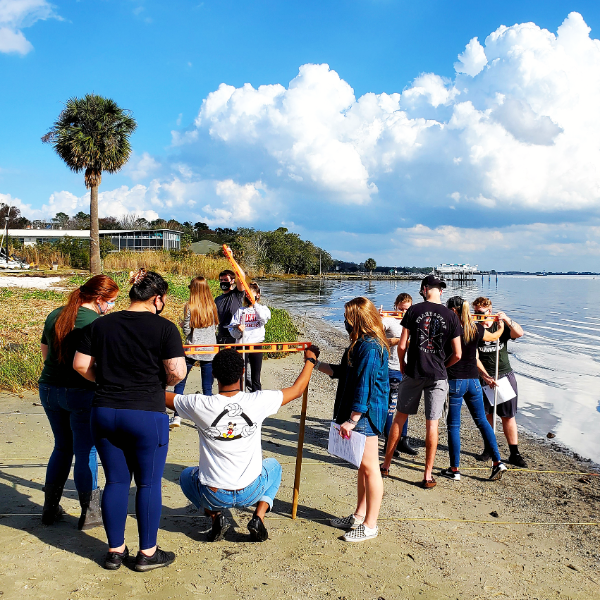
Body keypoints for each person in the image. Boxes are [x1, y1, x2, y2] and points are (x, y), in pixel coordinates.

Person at [74, 269, 187, 572]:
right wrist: (156, 381)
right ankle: (147, 553)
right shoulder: (165, 328)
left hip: (105, 410)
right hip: (146, 412)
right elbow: (177, 372)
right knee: (148, 483)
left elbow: (80, 364)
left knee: (116, 481)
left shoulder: (101, 325)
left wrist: (105, 381)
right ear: (157, 298)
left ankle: (115, 551)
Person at [170, 346, 318, 542]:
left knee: (186, 477)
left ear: (213, 374)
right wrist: (310, 360)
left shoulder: (199, 404)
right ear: (242, 372)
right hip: (251, 490)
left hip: (214, 494)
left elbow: (160, 395)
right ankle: (258, 516)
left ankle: (215, 516)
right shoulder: (257, 400)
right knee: (274, 466)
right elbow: (297, 390)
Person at [39, 274, 119, 530]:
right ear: (99, 299)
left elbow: (45, 351)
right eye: (111, 301)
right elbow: (96, 362)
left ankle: (49, 508)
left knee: (61, 447)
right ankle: (89, 512)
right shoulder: (96, 322)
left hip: (49, 387)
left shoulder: (56, 314)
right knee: (86, 451)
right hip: (81, 391)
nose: (112, 307)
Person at [314, 297, 389, 542]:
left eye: (348, 317)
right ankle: (359, 515)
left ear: (358, 319)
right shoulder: (357, 344)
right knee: (362, 467)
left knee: (370, 468)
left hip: (366, 414)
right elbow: (342, 372)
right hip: (358, 413)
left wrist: (353, 419)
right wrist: (315, 364)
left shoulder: (370, 347)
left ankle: (370, 525)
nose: (344, 321)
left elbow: (365, 385)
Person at [380, 275, 462, 489]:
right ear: (440, 291)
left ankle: (386, 465)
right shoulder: (451, 316)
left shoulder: (413, 311)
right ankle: (427, 475)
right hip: (438, 375)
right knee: (432, 423)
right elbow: (458, 354)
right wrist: (444, 365)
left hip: (414, 371)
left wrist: (402, 363)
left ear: (424, 289)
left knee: (399, 417)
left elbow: (402, 345)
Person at [442, 296, 508, 481]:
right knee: (482, 422)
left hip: (456, 380)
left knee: (454, 425)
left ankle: (455, 469)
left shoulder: (449, 328)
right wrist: (501, 325)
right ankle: (498, 462)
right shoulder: (475, 327)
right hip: (473, 381)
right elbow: (494, 337)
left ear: (453, 311)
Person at [473, 296, 527, 468]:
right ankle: (489, 448)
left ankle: (514, 453)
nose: (478, 316)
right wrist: (485, 376)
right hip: (483, 378)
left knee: (507, 416)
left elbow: (519, 333)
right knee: (486, 416)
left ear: (489, 311)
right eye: (475, 312)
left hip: (504, 375)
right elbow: (473, 357)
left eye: (481, 313)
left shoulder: (500, 326)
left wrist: (507, 320)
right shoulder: (474, 329)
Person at [170, 276, 219, 429]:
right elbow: (216, 327)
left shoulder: (190, 306)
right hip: (210, 349)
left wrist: (186, 330)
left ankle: (177, 415)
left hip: (192, 348)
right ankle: (207, 418)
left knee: (180, 381)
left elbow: (186, 329)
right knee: (207, 386)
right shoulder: (212, 306)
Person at [381, 293, 418, 456]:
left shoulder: (414, 321)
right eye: (401, 309)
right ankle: (389, 443)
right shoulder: (388, 320)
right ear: (396, 306)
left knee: (405, 407)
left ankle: (403, 440)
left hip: (408, 369)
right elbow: (378, 338)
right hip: (392, 368)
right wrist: (396, 340)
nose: (404, 312)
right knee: (391, 406)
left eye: (407, 309)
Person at [228, 282, 271, 392]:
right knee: (240, 374)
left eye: (252, 294)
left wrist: (255, 304)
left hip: (256, 345)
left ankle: (257, 396)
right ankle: (240, 395)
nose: (249, 297)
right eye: (248, 294)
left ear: (258, 295)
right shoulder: (241, 310)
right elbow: (231, 328)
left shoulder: (263, 309)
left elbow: (263, 319)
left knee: (255, 376)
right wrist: (238, 329)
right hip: (242, 345)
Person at [215, 268, 246, 345]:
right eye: (221, 280)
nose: (223, 282)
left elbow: (242, 276)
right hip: (221, 335)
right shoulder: (217, 299)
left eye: (225, 280)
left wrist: (231, 258)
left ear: (232, 281)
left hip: (234, 335)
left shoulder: (237, 294)